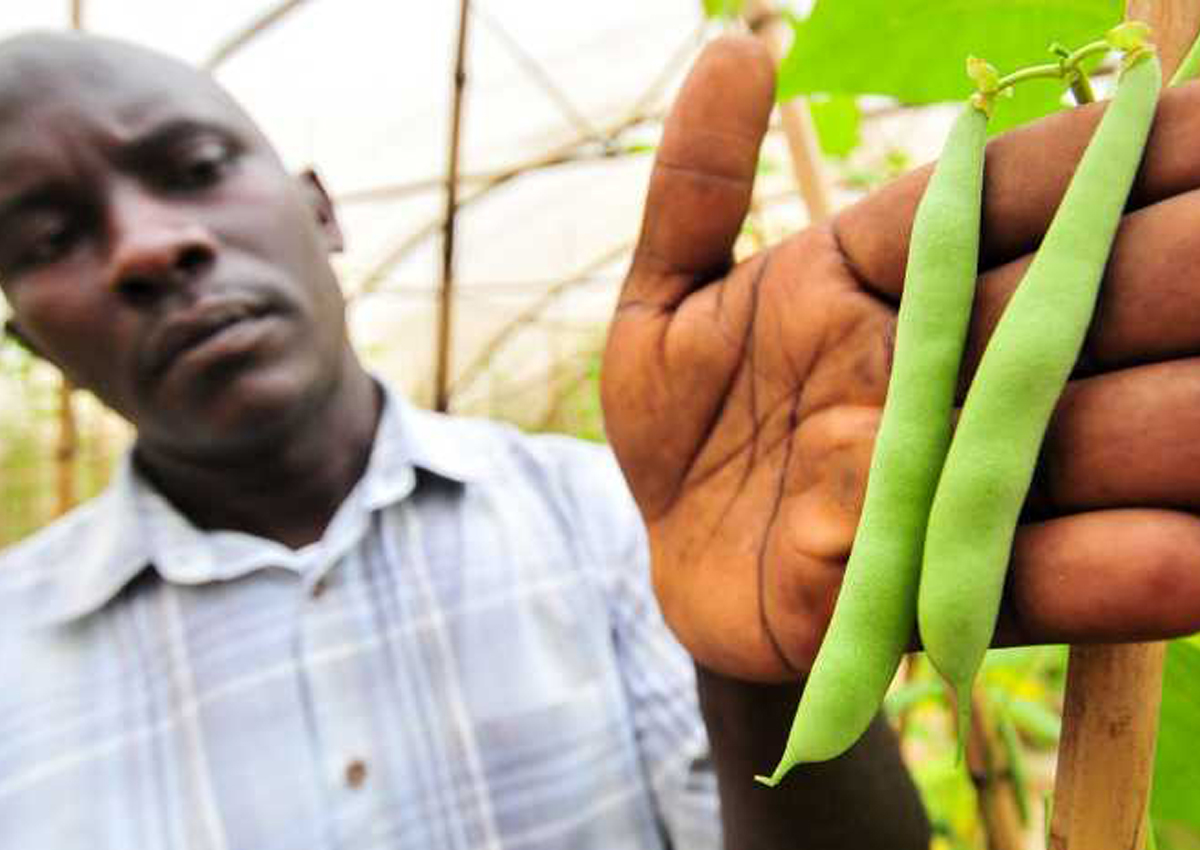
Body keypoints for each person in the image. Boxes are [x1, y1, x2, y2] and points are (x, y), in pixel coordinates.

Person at [0, 25, 1197, 850]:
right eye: (44, 236)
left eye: (196, 168)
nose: (149, 248)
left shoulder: (605, 519)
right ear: (29, 342)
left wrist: (752, 675)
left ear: (320, 209)